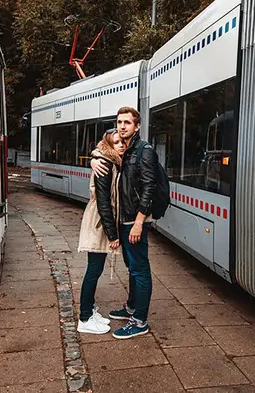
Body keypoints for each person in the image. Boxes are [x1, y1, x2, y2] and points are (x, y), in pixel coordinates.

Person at [91, 106, 158, 339]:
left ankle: (140, 321)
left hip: (135, 219)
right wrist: (94, 158)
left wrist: (139, 222)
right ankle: (131, 307)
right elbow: (104, 144)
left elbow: (150, 187)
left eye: (127, 123)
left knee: (140, 269)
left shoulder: (144, 150)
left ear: (137, 126)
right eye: (119, 122)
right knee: (132, 267)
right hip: (124, 218)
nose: (121, 126)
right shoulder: (125, 148)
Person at [76, 129, 125, 335]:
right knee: (93, 271)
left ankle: (89, 311)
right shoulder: (105, 163)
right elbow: (104, 201)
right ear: (108, 145)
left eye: (122, 141)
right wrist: (112, 235)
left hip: (100, 220)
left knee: (94, 270)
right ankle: (85, 318)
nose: (121, 145)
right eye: (116, 142)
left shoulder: (108, 160)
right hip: (99, 222)